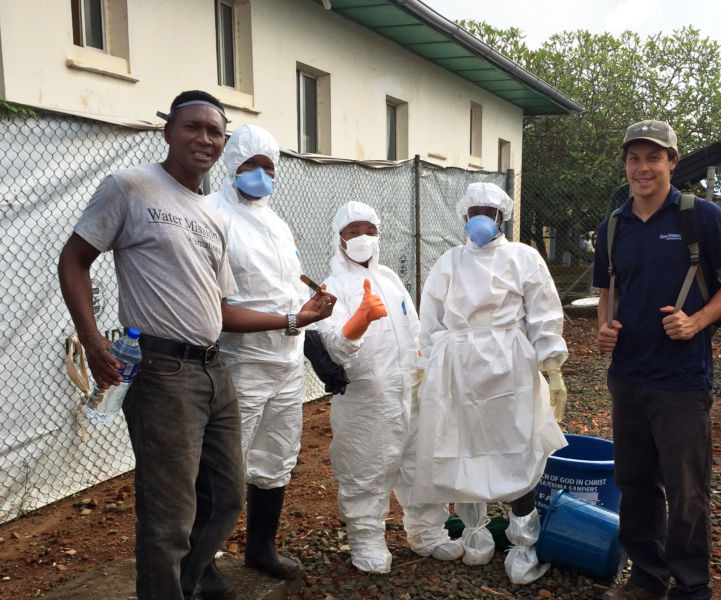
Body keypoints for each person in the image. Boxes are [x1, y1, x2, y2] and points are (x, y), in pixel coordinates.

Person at [57, 91, 334, 600]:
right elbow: (73, 259)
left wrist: (298, 320)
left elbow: (219, 304)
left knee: (227, 494)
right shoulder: (131, 186)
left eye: (214, 131)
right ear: (168, 131)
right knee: (168, 513)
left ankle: (185, 585)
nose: (203, 138)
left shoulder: (210, 214)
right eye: (192, 127)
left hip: (213, 368)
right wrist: (94, 340)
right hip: (161, 369)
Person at [593, 120, 721, 600]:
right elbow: (607, 289)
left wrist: (697, 322)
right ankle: (647, 578)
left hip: (681, 380)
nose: (643, 167)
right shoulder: (612, 225)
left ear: (672, 163)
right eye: (634, 158)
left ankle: (691, 587)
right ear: (625, 164)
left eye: (653, 157)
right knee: (634, 481)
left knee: (686, 491)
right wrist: (605, 326)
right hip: (629, 376)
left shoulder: (699, 217)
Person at [413, 182, 569, 585]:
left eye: (490, 210)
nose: (481, 217)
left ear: (503, 216)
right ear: (463, 216)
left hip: (509, 364)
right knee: (461, 444)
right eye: (474, 210)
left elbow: (543, 314)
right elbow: (429, 318)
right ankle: (475, 533)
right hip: (457, 366)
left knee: (516, 447)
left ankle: (523, 544)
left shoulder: (523, 258)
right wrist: (426, 366)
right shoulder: (448, 262)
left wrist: (552, 368)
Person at [314, 201, 464, 574]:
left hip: (409, 390)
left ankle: (428, 533)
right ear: (340, 239)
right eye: (353, 231)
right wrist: (361, 319)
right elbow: (334, 347)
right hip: (367, 397)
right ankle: (366, 539)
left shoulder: (391, 280)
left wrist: (423, 367)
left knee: (419, 462)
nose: (362, 238)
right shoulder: (333, 287)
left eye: (370, 230)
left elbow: (414, 329)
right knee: (367, 466)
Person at [206, 124, 324, 583]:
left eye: (269, 167)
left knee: (277, 457)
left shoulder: (276, 222)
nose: (261, 175)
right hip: (240, 362)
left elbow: (283, 287)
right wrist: (295, 320)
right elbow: (218, 309)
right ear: (231, 164)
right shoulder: (213, 215)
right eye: (251, 165)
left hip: (286, 361)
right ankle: (204, 561)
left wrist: (310, 305)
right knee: (225, 461)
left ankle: (260, 548)